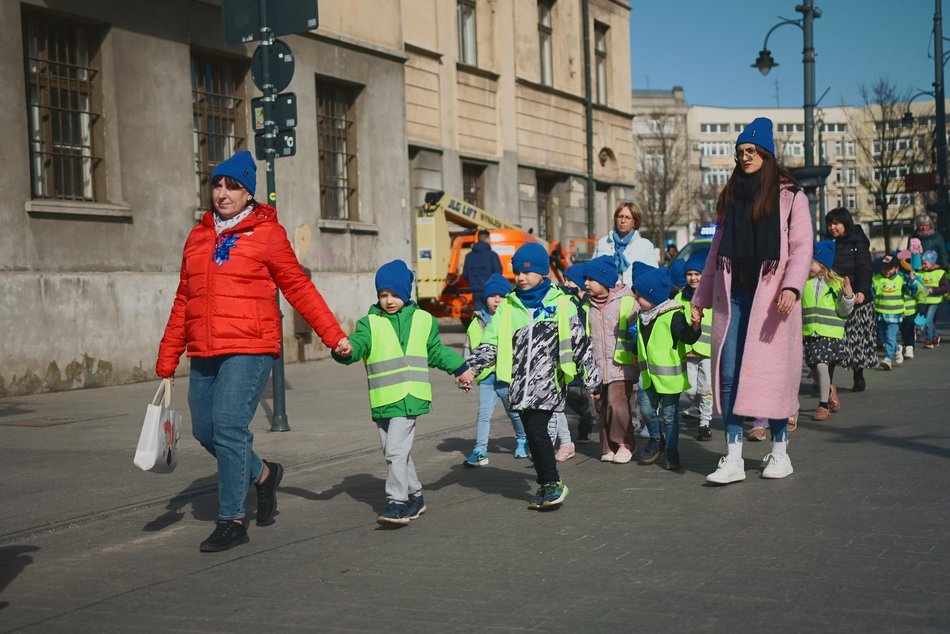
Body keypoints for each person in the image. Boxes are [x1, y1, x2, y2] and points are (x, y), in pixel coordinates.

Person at [156, 150, 351, 552]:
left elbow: (297, 287)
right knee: (205, 431)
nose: (223, 193)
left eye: (234, 186)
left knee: (229, 427)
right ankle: (263, 474)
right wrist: (168, 354)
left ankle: (232, 519)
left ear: (249, 194)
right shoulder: (198, 236)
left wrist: (334, 336)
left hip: (250, 346)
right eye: (218, 184)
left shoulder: (267, 234)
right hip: (205, 349)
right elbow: (184, 298)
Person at [691, 117, 813, 484]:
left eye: (751, 151)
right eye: (740, 152)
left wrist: (791, 287)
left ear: (766, 154)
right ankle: (733, 458)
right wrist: (700, 297)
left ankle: (779, 452)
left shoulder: (791, 196)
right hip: (734, 296)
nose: (744, 158)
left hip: (773, 297)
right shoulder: (730, 197)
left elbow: (801, 247)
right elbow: (715, 253)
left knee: (772, 375)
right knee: (728, 376)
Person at [333, 259, 475, 526]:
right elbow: (358, 345)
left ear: (406, 294)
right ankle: (416, 497)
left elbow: (435, 351)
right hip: (383, 398)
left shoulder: (423, 320)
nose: (389, 300)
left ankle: (396, 502)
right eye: (383, 294)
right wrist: (346, 350)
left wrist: (460, 367)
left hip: (411, 396)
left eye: (395, 294)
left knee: (395, 451)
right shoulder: (369, 323)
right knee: (396, 451)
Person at [464, 243, 600, 510]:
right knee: (532, 434)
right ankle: (544, 483)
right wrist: (471, 368)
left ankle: (553, 483)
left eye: (527, 272)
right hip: (518, 385)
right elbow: (490, 343)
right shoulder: (508, 306)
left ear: (542, 273)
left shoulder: (561, 304)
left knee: (537, 430)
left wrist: (592, 380)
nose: (521, 278)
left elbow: (580, 344)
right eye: (517, 273)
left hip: (548, 382)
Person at [632, 265, 701, 470]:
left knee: (670, 417)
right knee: (645, 408)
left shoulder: (673, 314)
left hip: (670, 379)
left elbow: (686, 335)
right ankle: (656, 438)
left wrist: (695, 326)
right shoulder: (643, 315)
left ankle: (672, 451)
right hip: (648, 377)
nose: (636, 299)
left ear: (652, 296)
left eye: (639, 295)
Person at [462, 273, 528, 466]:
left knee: (514, 413)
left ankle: (523, 440)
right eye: (492, 296)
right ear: (486, 298)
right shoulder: (476, 323)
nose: (497, 300)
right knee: (483, 414)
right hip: (485, 378)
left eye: (501, 295)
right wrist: (465, 375)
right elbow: (469, 350)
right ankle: (480, 449)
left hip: (507, 376)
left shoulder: (512, 319)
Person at [583, 255, 639, 464]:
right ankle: (608, 447)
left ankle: (625, 444)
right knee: (603, 407)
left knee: (617, 403)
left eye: (591, 279)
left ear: (604, 280)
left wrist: (636, 358)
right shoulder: (588, 306)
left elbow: (637, 331)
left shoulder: (626, 302)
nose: (586, 283)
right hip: (598, 367)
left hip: (621, 367)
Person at [801, 240, 855, 421]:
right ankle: (830, 389)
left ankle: (823, 406)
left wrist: (848, 296)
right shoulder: (803, 283)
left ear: (822, 264)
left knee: (822, 365)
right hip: (810, 333)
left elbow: (844, 310)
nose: (806, 264)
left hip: (830, 333)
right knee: (814, 371)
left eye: (811, 261)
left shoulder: (837, 283)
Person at [825, 207, 876, 392]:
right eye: (830, 224)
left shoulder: (858, 243)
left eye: (836, 223)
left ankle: (858, 376)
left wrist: (861, 290)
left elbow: (864, 268)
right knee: (830, 341)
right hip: (834, 298)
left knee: (856, 341)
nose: (832, 227)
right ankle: (825, 382)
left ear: (845, 223)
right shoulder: (829, 243)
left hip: (857, 299)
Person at [676, 254, 713, 440]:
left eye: (697, 274)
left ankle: (704, 423)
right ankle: (698, 408)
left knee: (706, 388)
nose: (693, 278)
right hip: (687, 351)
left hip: (707, 351)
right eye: (689, 274)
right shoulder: (679, 297)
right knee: (690, 390)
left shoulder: (712, 297)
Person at [560, 263, 598, 443]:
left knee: (588, 400)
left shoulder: (591, 303)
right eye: (565, 280)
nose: (566, 284)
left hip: (588, 356)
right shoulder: (567, 301)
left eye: (570, 280)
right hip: (571, 357)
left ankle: (585, 430)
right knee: (572, 396)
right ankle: (583, 414)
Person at [592, 202, 659, 288]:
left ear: (635, 222)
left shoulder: (645, 245)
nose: (623, 221)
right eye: (620, 216)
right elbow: (592, 271)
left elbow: (653, 276)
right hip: (606, 295)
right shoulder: (603, 243)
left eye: (627, 218)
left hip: (633, 297)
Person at [462, 229, 503, 313]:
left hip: (475, 290)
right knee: (492, 314)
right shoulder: (492, 255)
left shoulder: (469, 256)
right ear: (487, 239)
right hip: (490, 290)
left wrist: (473, 283)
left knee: (479, 316)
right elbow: (498, 272)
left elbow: (465, 273)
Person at [916, 250, 949, 348]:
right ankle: (935, 336)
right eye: (922, 263)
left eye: (925, 263)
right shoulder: (920, 273)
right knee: (926, 319)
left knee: (928, 319)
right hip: (924, 300)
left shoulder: (940, 273)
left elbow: (945, 288)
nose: (924, 265)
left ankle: (928, 340)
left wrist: (932, 290)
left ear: (932, 262)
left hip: (935, 300)